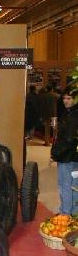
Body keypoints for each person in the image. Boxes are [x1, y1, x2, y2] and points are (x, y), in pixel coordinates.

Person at [50, 87, 78, 215]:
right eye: (64, 98)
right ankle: (72, 212)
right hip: (72, 155)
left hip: (67, 156)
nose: (66, 101)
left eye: (69, 98)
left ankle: (65, 213)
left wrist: (55, 154)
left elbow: (68, 139)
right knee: (73, 185)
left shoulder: (73, 115)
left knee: (65, 185)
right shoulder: (69, 113)